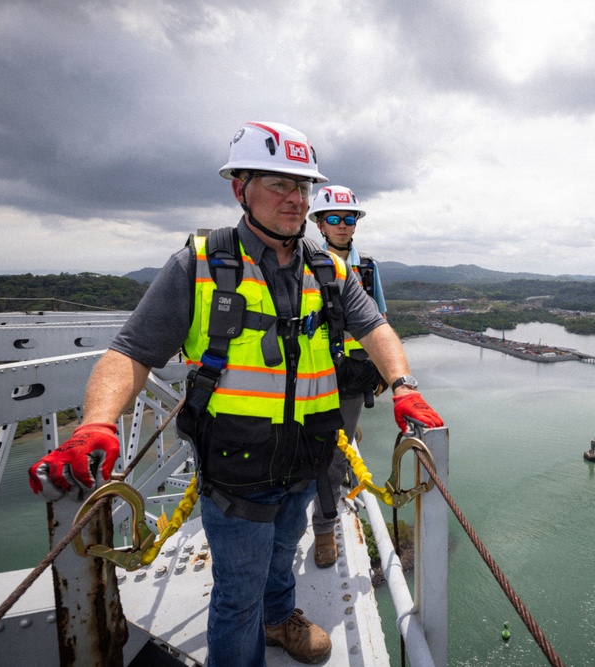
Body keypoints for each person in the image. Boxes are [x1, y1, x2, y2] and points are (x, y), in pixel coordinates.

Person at [27, 121, 443, 667]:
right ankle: (255, 632)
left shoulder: (328, 269)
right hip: (237, 465)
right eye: (279, 184)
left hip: (306, 458)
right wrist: (97, 424)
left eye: (303, 188)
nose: (295, 200)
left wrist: (403, 387)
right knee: (237, 597)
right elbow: (130, 351)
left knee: (279, 562)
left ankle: (280, 621)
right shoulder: (200, 265)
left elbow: (375, 329)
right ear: (239, 187)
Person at [306, 184, 385, 568]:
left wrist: (386, 369)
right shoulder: (304, 263)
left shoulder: (366, 268)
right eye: (333, 218)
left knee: (335, 452)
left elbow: (379, 319)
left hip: (352, 374)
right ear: (320, 223)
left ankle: (323, 529)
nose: (342, 225)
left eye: (348, 218)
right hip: (312, 370)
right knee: (308, 445)